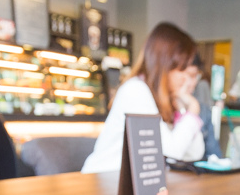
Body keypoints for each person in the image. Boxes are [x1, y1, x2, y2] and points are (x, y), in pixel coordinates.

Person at [82, 23, 204, 173]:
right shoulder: (136, 91)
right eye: (183, 72)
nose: (190, 82)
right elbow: (172, 152)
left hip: (126, 186)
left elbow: (194, 154)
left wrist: (183, 111)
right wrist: (192, 112)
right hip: (101, 182)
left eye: (193, 76)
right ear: (164, 66)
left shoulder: (164, 100)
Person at [185, 54, 223, 159]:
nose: (194, 82)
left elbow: (215, 154)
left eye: (195, 76)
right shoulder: (158, 109)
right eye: (190, 75)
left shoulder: (203, 110)